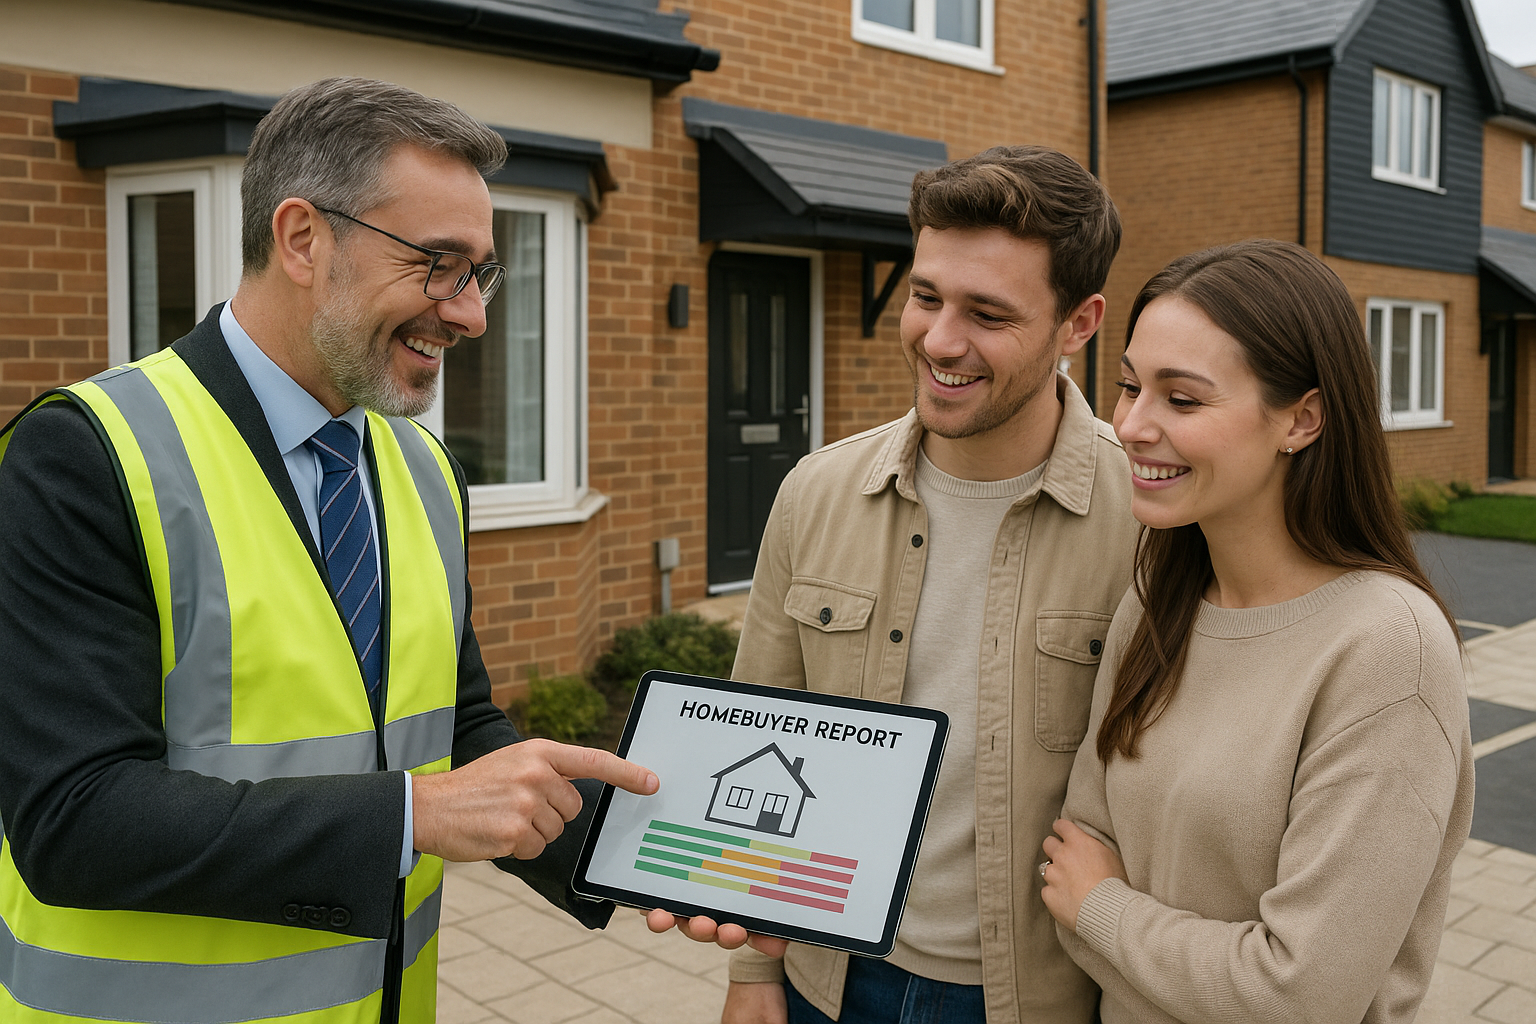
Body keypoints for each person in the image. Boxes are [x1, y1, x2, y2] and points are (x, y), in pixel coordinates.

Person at [0, 78, 658, 1024]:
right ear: (303, 239)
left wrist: (645, 860)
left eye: (479, 274)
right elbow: (74, 818)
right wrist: (414, 815)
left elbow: (456, 724)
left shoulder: (424, 469)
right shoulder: (85, 454)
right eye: (439, 263)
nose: (470, 315)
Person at [655, 146, 1140, 1024]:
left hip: (1038, 999)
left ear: (1080, 323)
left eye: (987, 313)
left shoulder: (1149, 524)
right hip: (826, 979)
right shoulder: (815, 491)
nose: (940, 340)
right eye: (925, 297)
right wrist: (753, 974)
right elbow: (762, 720)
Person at [1040, 239, 1474, 1024]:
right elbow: (1072, 862)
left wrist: (1106, 910)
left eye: (1182, 399)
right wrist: (1109, 919)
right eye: (1130, 386)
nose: (1131, 424)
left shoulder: (1386, 652)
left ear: (1302, 419)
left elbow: (1300, 996)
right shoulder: (1156, 600)